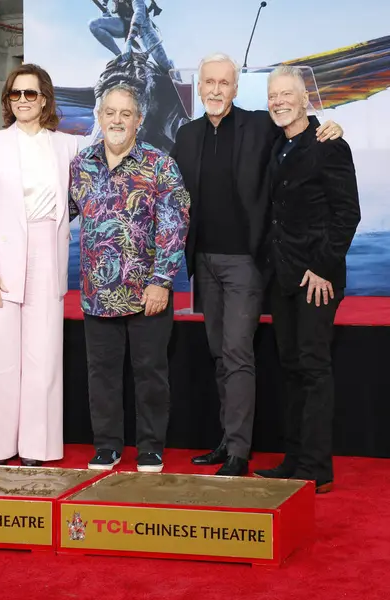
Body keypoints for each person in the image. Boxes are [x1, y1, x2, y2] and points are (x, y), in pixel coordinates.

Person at [171, 53, 343, 476]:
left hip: (247, 261)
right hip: (204, 264)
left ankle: (239, 453)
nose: (214, 90)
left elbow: (299, 130)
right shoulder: (187, 136)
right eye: (208, 82)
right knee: (219, 353)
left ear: (235, 88)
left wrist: (328, 126)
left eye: (223, 83)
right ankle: (227, 440)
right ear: (200, 87)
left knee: (236, 351)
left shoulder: (260, 125)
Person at [69, 83, 190, 473]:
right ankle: (107, 446)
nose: (117, 120)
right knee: (101, 373)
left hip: (147, 292)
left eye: (126, 114)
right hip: (97, 292)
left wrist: (162, 280)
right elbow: (60, 214)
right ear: (100, 118)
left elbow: (174, 224)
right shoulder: (81, 164)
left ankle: (150, 447)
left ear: (139, 121)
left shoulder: (160, 164)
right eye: (110, 113)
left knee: (150, 372)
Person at [253, 66, 360, 492]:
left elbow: (346, 214)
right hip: (283, 278)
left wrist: (323, 268)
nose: (279, 101)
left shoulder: (329, 144)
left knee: (314, 370)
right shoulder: (276, 142)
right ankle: (294, 459)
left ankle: (316, 469)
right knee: (292, 368)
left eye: (286, 94)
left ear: (305, 99)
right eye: (273, 95)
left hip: (318, 278)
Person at [0, 64, 78, 466]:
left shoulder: (67, 146)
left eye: (30, 94)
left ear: (45, 99)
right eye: (15, 94)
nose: (22, 101)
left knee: (44, 352)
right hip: (1, 258)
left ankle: (38, 447)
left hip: (48, 250)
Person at [89, 0, 174, 73]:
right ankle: (122, 59)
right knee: (94, 25)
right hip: (125, 24)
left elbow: (139, 12)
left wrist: (129, 41)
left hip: (144, 26)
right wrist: (105, 12)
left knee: (164, 65)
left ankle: (173, 72)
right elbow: (108, 18)